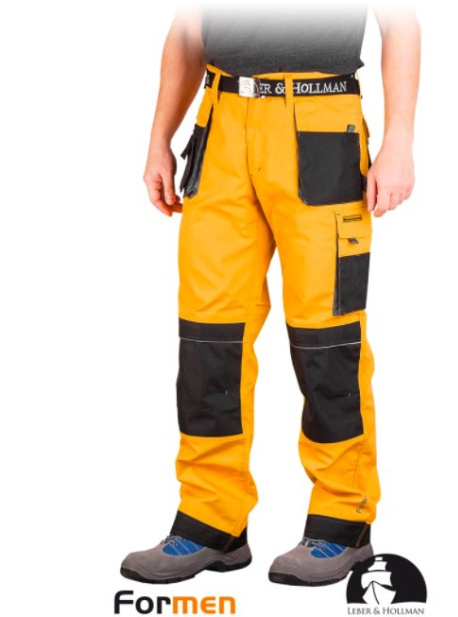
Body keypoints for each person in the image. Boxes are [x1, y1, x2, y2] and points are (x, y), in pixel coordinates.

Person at [120, 3, 421, 586]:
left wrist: (400, 139)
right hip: (220, 125)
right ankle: (212, 519)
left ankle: (343, 519)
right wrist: (159, 138)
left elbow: (400, 19)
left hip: (321, 122)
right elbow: (188, 28)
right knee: (208, 336)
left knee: (326, 337)